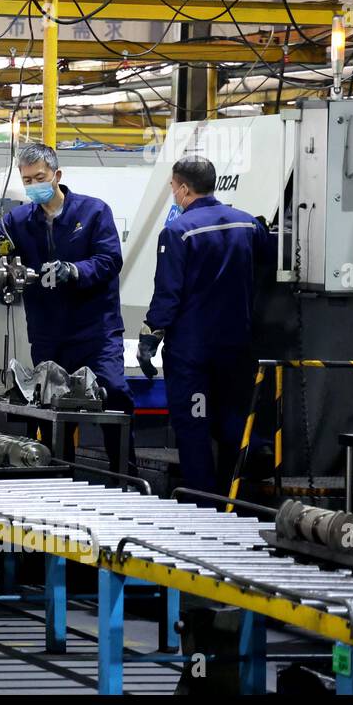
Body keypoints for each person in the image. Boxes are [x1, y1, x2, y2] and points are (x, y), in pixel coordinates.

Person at [139, 156, 275, 495]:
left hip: (192, 354)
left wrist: (149, 338)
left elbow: (168, 293)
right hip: (238, 349)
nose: (173, 193)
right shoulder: (246, 225)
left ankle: (201, 505)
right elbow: (268, 250)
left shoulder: (178, 231)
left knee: (194, 426)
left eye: (172, 187)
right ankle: (234, 498)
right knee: (233, 424)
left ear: (184, 188)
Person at [0, 142, 136, 471]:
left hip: (95, 331)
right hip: (48, 333)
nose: (34, 186)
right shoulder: (18, 221)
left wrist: (74, 271)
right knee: (50, 410)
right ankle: (58, 477)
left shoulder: (93, 212)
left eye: (40, 177)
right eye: (27, 180)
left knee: (112, 395)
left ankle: (125, 477)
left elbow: (109, 260)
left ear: (57, 175)